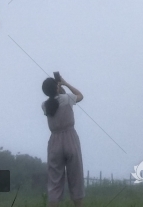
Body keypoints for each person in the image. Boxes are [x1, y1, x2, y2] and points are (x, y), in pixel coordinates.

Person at [41, 74, 85, 207]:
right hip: (70, 138)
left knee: (54, 183)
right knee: (76, 179)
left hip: (54, 141)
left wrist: (57, 88)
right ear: (56, 87)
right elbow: (80, 95)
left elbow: (54, 100)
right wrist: (65, 83)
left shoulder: (44, 105)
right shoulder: (67, 98)